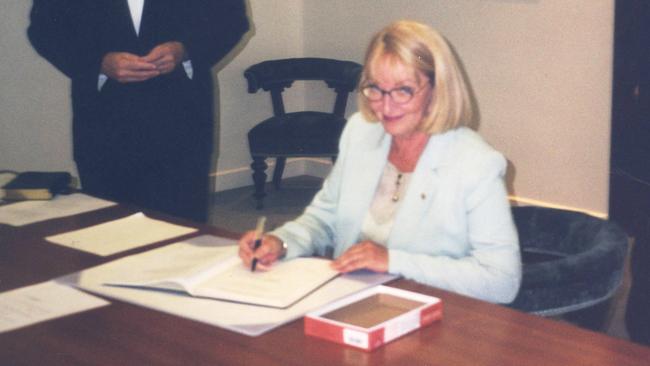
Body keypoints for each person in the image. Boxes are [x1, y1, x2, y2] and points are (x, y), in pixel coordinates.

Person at [239, 20, 521, 303]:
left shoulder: (475, 163)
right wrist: (282, 242)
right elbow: (325, 218)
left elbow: (501, 281)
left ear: (437, 90)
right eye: (375, 88)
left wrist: (392, 261)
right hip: (350, 300)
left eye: (403, 90)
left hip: (438, 316)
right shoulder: (361, 131)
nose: (385, 107)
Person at [27, 0, 249, 222]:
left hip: (181, 120)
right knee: (109, 230)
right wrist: (99, 62)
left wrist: (184, 50)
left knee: (181, 231)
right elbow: (44, 29)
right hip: (103, 122)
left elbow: (232, 20)